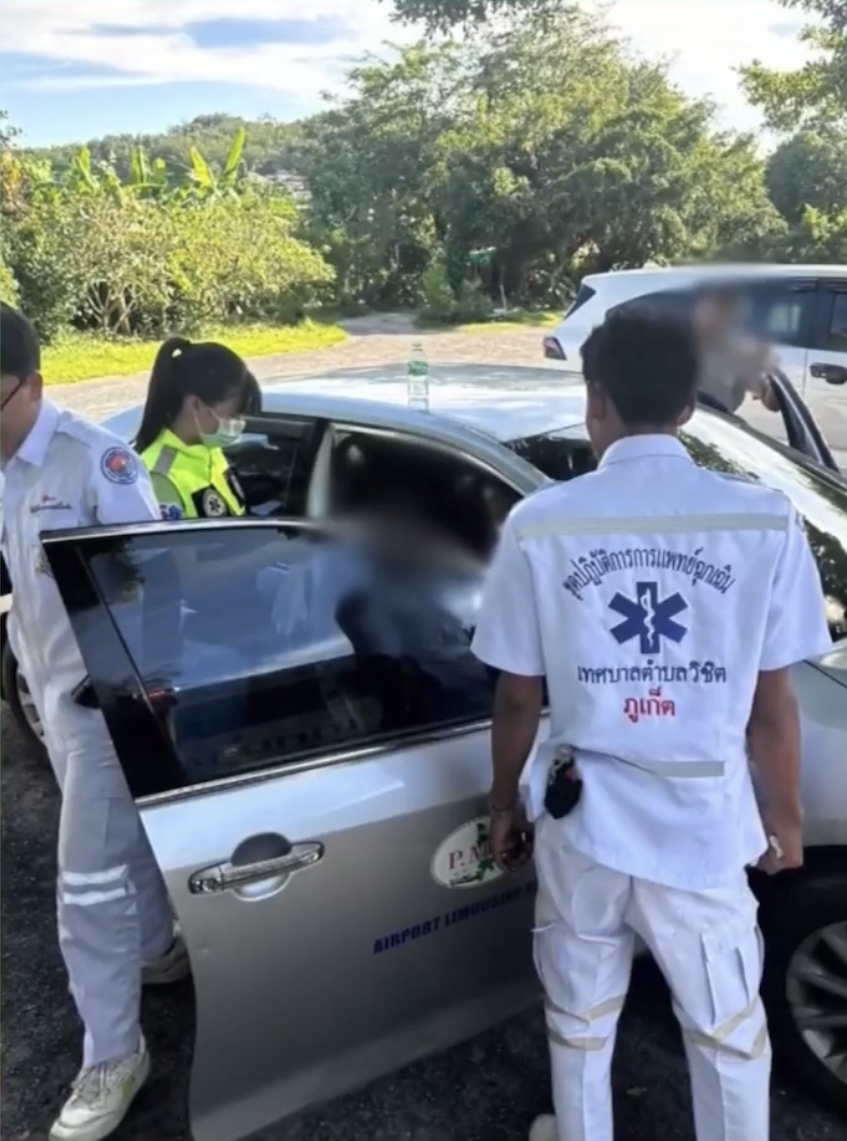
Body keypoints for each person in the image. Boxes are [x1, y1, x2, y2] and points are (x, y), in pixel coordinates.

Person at [470, 307, 832, 1141]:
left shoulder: (540, 522)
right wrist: (782, 816)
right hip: (701, 831)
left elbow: (517, 696)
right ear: (688, 405)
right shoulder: (762, 519)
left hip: (582, 815)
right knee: (726, 1033)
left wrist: (501, 806)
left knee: (581, 1011)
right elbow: (770, 705)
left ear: (595, 398)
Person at [0, 303, 189, 1141]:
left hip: (103, 705)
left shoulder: (93, 462)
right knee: (122, 852)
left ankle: (113, 1052)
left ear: (34, 385)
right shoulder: (4, 463)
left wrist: (131, 695)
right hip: (47, 689)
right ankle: (158, 950)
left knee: (83, 886)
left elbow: (154, 585)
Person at [134, 336, 260, 520]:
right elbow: (174, 547)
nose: (239, 423)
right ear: (196, 405)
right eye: (233, 415)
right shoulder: (160, 477)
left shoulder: (210, 450)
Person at [693, 287, 782, 415]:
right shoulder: (677, 347)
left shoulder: (741, 355)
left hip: (716, 427)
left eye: (729, 313)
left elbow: (772, 404)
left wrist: (773, 375)